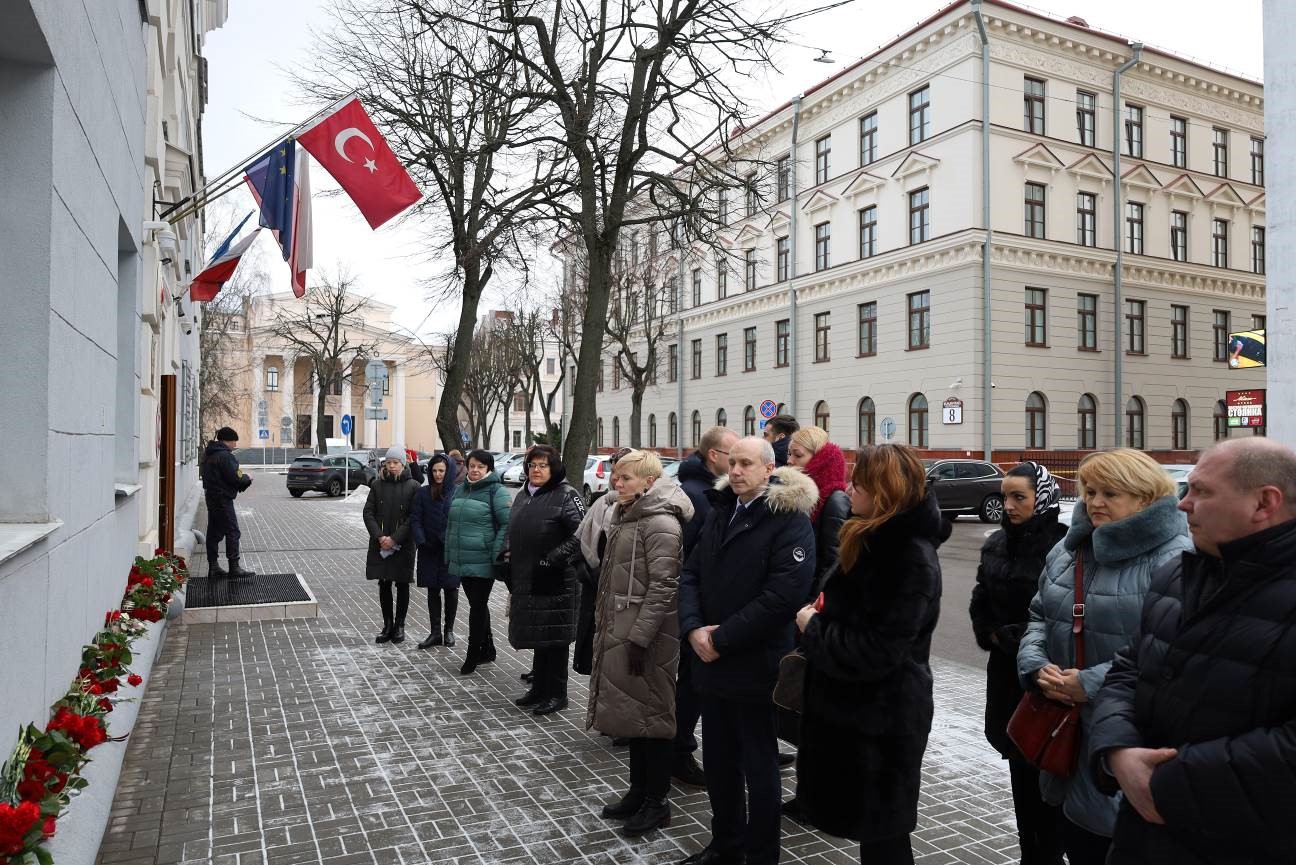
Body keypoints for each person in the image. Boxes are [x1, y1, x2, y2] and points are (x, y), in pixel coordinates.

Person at [1089, 438, 1296, 865]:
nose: (1183, 504)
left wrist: (1162, 782)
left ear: (1264, 503)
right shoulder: (1178, 575)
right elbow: (1129, 669)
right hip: (1140, 839)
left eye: (1201, 492)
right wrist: (1118, 750)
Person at [1016, 449, 1192, 865]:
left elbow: (1175, 651)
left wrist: (1089, 684)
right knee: (1072, 839)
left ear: (1146, 497)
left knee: (1112, 843)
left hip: (1129, 736)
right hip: (1065, 729)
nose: (1094, 502)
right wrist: (1036, 666)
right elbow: (1039, 614)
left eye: (1110, 493)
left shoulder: (1175, 557)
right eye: (1089, 491)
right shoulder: (1068, 549)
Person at [794, 443, 948, 865]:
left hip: (882, 720)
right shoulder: (871, 537)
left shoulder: (906, 556)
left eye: (858, 482)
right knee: (876, 835)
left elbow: (880, 649)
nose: (848, 487)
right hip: (860, 715)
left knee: (885, 838)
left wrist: (815, 628)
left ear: (884, 491)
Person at [677, 436, 817, 865]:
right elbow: (690, 574)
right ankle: (725, 844)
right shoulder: (722, 510)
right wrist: (694, 628)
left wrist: (719, 638)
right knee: (719, 762)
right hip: (711, 662)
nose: (735, 471)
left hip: (756, 665)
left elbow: (782, 597)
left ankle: (760, 854)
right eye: (732, 463)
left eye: (746, 464)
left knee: (759, 766)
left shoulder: (790, 521)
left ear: (768, 468)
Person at [588, 450, 694, 837]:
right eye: (616, 477)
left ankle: (657, 801)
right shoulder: (627, 514)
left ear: (649, 482)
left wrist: (640, 637)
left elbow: (665, 585)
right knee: (635, 717)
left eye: (625, 479)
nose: (617, 484)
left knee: (654, 718)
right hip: (626, 631)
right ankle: (638, 791)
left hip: (648, 637)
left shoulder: (661, 523)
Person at [969, 463, 1067, 865]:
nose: (1008, 505)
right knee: (1019, 772)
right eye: (1005, 496)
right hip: (1006, 676)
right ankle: (1032, 854)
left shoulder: (1064, 546)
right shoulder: (995, 544)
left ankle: (1052, 852)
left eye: (1019, 497)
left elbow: (1059, 614)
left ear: (1041, 499)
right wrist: (992, 631)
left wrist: (1023, 637)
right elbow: (979, 599)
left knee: (1051, 775)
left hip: (1047, 681)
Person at [779, 424, 851, 816]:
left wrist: (810, 612)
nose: (790, 463)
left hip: (813, 617)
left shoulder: (834, 499)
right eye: (789, 455)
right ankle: (810, 791)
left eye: (798, 456)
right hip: (799, 611)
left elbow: (832, 564)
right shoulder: (805, 497)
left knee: (814, 709)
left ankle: (816, 796)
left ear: (818, 458)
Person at [672, 425, 739, 787]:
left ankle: (679, 746)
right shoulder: (701, 496)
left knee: (691, 685)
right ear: (714, 456)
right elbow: (690, 561)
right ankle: (679, 750)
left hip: (698, 609)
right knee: (690, 686)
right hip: (696, 611)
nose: (738, 467)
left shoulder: (704, 490)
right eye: (734, 458)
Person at [506, 444, 586, 715]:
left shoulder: (567, 495)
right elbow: (514, 529)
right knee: (539, 636)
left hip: (557, 579)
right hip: (528, 577)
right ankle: (539, 689)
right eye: (532, 465)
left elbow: (581, 534)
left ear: (554, 468)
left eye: (542, 465)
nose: (536, 470)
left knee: (555, 640)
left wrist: (553, 558)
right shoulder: (524, 495)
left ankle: (557, 694)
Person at [445, 449, 511, 675]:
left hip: (484, 559)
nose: (474, 470)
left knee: (477, 607)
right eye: (472, 465)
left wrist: (495, 553)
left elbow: (506, 524)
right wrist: (449, 553)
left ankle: (472, 654)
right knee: (477, 605)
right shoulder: (461, 489)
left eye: (480, 467)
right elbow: (451, 525)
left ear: (488, 469)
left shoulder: (497, 491)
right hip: (463, 558)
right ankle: (488, 649)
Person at [576, 447, 633, 676]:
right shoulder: (602, 503)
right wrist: (580, 563)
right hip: (593, 587)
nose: (616, 479)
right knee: (593, 654)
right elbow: (580, 536)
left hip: (619, 593)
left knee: (614, 662)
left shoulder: (637, 509)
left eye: (624, 474)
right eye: (614, 472)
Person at [363, 447, 422, 644]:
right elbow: (368, 513)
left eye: (396, 462)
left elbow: (413, 517)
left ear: (403, 464)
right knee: (384, 583)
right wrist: (380, 537)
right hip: (380, 544)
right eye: (389, 463)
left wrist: (395, 538)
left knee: (403, 583)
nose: (392, 466)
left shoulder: (413, 486)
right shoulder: (377, 485)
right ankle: (387, 625)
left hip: (403, 544)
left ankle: (400, 625)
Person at [411, 454, 458, 649]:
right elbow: (415, 519)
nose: (438, 474)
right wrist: (422, 541)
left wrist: (446, 539)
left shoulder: (457, 492)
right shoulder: (423, 493)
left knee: (451, 589)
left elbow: (459, 521)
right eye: (435, 470)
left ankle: (449, 631)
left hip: (449, 550)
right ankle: (435, 632)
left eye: (442, 471)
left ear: (448, 472)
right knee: (432, 589)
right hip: (428, 549)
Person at [200, 426, 255, 578]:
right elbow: (235, 479)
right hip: (223, 499)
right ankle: (234, 567)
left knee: (214, 533)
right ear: (228, 441)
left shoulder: (209, 454)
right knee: (233, 531)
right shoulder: (225, 456)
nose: (235, 445)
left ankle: (213, 567)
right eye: (234, 442)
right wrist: (248, 478)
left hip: (211, 497)